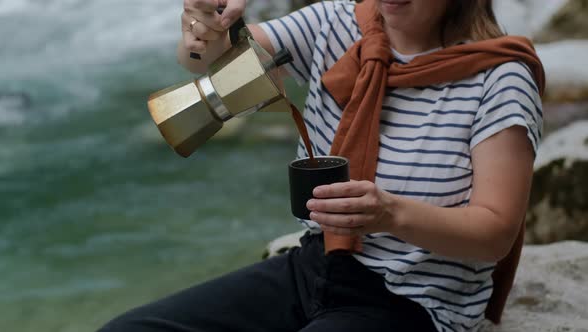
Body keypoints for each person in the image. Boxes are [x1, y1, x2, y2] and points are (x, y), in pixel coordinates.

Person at [99, 0, 544, 331]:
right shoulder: (337, 24)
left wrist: (390, 214)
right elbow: (217, 67)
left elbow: (494, 233)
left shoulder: (499, 77)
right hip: (314, 268)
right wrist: (206, 32)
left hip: (413, 302)